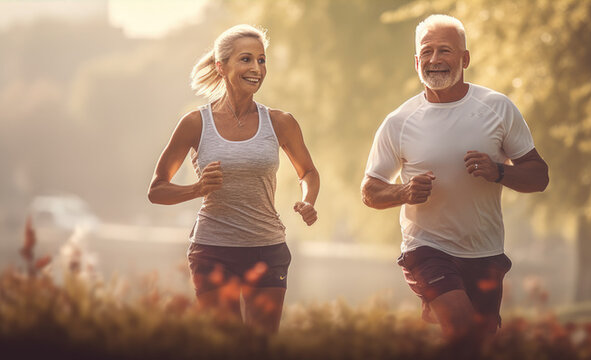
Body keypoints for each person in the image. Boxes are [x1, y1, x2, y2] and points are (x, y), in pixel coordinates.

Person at [360, 14, 549, 347]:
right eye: (427, 52)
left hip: (485, 251)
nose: (434, 59)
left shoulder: (497, 108)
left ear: (465, 58)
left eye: (444, 50)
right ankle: (440, 301)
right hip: (426, 249)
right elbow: (370, 190)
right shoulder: (399, 121)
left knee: (480, 343)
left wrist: (499, 171)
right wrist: (404, 192)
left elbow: (539, 175)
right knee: (462, 328)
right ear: (416, 62)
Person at [147, 24, 319, 333]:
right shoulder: (195, 123)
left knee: (259, 345)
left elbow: (307, 171)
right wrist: (198, 188)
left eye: (261, 60)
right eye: (246, 59)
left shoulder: (280, 122)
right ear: (221, 66)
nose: (256, 68)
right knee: (225, 344)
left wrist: (308, 201)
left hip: (267, 248)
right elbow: (157, 190)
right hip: (213, 249)